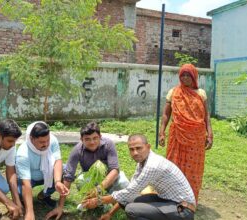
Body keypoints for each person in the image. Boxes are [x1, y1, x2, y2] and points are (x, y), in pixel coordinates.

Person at [83, 134, 196, 220]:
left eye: (139, 148)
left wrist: (98, 201)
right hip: (168, 200)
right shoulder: (142, 163)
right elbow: (129, 192)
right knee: (131, 199)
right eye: (131, 149)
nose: (135, 153)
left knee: (131, 209)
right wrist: (110, 214)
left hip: (183, 210)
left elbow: (129, 191)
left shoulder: (152, 165)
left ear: (148, 147)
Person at [46, 121, 129, 220]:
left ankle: (119, 203)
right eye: (87, 139)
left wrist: (99, 188)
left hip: (110, 178)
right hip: (92, 180)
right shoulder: (77, 150)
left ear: (100, 136)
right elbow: (68, 177)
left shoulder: (108, 144)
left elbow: (115, 170)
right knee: (81, 180)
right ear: (81, 139)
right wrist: (60, 206)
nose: (92, 142)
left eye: (95, 138)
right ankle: (98, 205)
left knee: (124, 182)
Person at [159, 63, 213, 201]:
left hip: (197, 137)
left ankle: (190, 199)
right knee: (174, 164)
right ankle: (172, 196)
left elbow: (206, 115)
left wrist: (210, 133)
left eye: (188, 75)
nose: (185, 78)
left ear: (194, 76)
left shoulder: (201, 93)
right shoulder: (174, 92)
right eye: (182, 75)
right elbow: (166, 115)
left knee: (194, 169)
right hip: (177, 135)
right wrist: (161, 132)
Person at [16, 121, 69, 220]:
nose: (46, 144)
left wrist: (57, 181)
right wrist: (30, 212)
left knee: (65, 170)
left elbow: (57, 160)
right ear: (31, 139)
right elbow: (26, 183)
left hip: (47, 175)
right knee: (19, 192)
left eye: (47, 140)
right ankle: (23, 200)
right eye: (41, 142)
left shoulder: (52, 140)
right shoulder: (23, 154)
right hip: (29, 179)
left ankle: (43, 196)